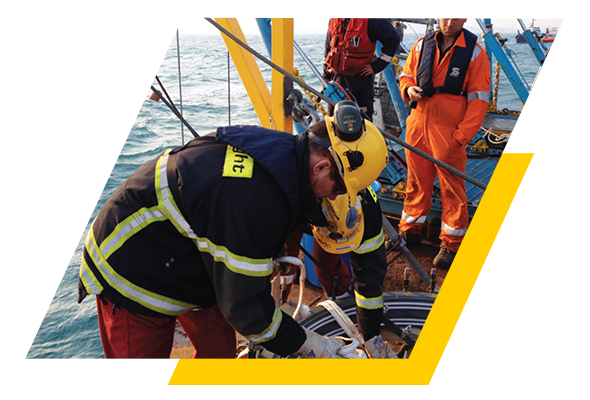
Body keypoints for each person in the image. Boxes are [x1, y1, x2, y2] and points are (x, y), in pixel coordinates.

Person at [77, 100, 390, 359]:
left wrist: (370, 330)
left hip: (194, 255)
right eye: (338, 189)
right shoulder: (253, 201)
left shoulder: (289, 159)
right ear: (321, 167)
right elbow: (247, 311)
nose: (334, 197)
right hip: (131, 271)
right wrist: (311, 346)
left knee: (219, 356)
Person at [281, 104, 396, 357]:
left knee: (328, 265)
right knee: (285, 263)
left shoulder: (366, 207)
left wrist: (370, 333)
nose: (334, 194)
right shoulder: (292, 188)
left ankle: (340, 303)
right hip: (302, 208)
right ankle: (283, 306)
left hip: (333, 215)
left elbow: (369, 276)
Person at [398, 17, 491, 270]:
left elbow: (479, 99)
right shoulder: (421, 45)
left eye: (456, 17)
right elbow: (406, 76)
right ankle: (410, 230)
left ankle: (451, 243)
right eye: (446, 15)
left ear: (465, 18)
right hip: (417, 124)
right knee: (416, 182)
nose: (450, 22)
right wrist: (409, 90)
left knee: (452, 188)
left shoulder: (476, 53)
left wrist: (462, 136)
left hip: (448, 130)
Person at [323, 17, 401, 121]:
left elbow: (393, 39)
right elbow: (328, 48)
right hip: (335, 80)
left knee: (363, 120)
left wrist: (377, 66)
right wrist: (326, 75)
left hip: (360, 80)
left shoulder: (373, 19)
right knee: (334, 119)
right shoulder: (334, 19)